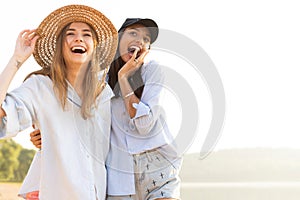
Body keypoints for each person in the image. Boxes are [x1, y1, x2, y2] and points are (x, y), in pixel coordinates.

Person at [30, 18, 183, 200]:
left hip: (158, 169)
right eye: (133, 33)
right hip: (118, 177)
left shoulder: (152, 71)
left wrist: (124, 79)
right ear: (118, 40)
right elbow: (75, 119)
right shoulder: (97, 80)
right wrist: (46, 135)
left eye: (146, 39)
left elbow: (144, 125)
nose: (140, 41)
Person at [0, 4, 118, 200]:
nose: (78, 38)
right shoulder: (39, 87)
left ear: (95, 47)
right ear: (60, 45)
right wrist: (17, 60)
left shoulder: (104, 94)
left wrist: (52, 137)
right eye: (70, 33)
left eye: (87, 34)